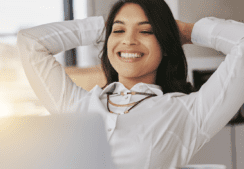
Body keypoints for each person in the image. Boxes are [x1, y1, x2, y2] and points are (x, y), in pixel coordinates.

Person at [16, 0, 244, 168]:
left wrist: (187, 31)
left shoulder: (188, 112)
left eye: (146, 31)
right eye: (118, 31)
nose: (128, 40)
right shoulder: (76, 106)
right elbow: (30, 42)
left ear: (164, 45)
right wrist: (102, 29)